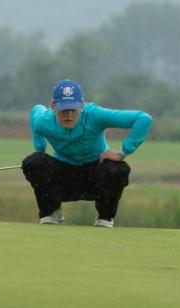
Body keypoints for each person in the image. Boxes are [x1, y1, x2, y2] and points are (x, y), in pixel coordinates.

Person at [22, 79, 153, 227]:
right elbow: (36, 110)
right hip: (63, 175)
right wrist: (40, 148)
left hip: (96, 174)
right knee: (35, 161)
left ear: (82, 105)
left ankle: (105, 218)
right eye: (64, 109)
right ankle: (51, 211)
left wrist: (123, 152)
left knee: (116, 169)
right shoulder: (43, 121)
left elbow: (143, 119)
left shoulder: (95, 115)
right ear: (52, 107)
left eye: (73, 109)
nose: (69, 115)